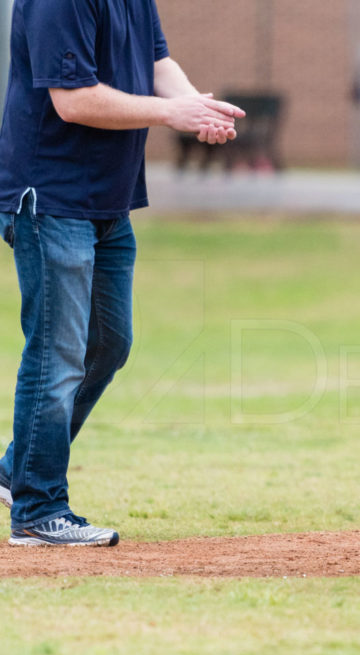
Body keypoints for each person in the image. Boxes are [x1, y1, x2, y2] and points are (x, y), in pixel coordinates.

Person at [0, 0, 245, 546]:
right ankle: (38, 510)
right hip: (53, 198)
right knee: (57, 352)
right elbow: (73, 100)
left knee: (108, 343)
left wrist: (195, 106)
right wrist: (169, 114)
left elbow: (158, 61)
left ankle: (18, 467)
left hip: (107, 200)